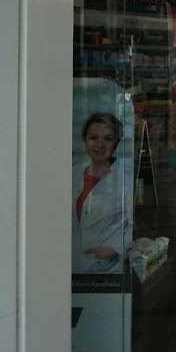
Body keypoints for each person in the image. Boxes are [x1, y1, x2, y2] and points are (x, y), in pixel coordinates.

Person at [73, 112, 130, 275]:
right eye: (93, 138)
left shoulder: (125, 176)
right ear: (85, 141)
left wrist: (115, 249)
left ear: (116, 142)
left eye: (108, 138)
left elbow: (136, 224)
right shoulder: (73, 173)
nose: (100, 145)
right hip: (70, 266)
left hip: (107, 271)